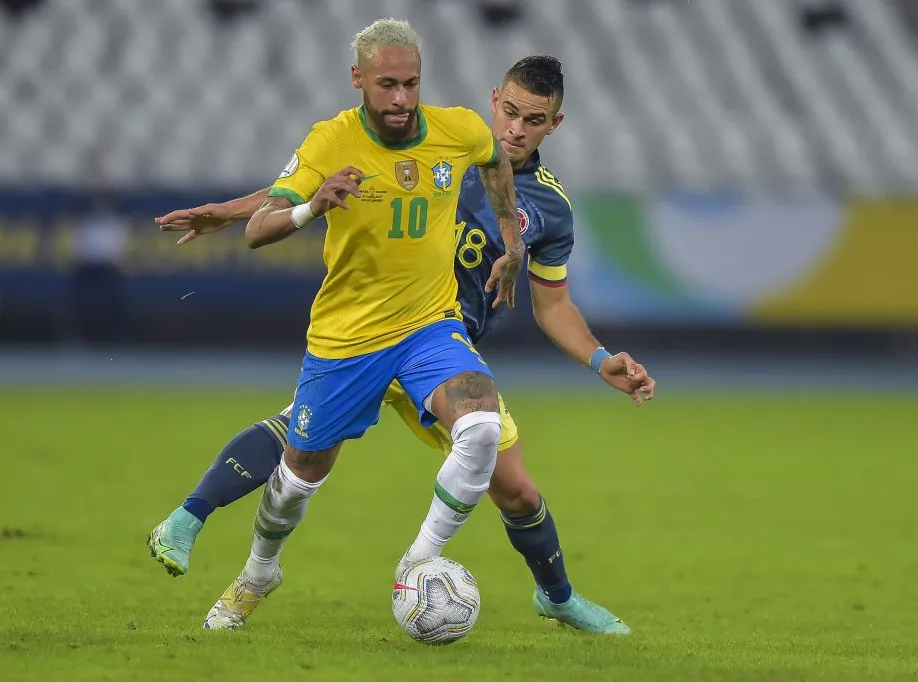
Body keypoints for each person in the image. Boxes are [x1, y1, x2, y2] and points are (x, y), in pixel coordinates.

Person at [150, 55, 655, 633]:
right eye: (510, 112)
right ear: (495, 101)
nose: (516, 130)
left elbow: (554, 305)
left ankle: (556, 598)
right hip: (370, 328)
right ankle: (252, 572)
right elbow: (316, 176)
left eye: (533, 120)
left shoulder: (549, 208)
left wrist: (599, 359)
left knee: (515, 488)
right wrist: (231, 212)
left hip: (440, 346)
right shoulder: (445, 146)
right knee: (302, 456)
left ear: (554, 125)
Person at [161, 17, 529, 631]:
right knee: (297, 479)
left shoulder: (459, 129)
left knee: (483, 426)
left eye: (411, 83)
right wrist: (312, 206)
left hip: (429, 327)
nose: (401, 98)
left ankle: (417, 564)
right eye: (387, 85)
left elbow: (495, 165)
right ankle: (259, 572)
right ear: (358, 78)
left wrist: (513, 244)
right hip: (348, 338)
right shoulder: (330, 141)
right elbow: (259, 230)